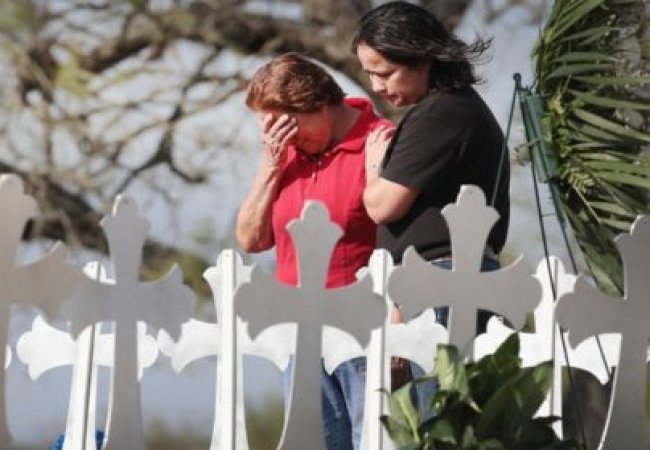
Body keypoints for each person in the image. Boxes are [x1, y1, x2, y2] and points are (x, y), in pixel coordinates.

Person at [352, 0, 510, 412]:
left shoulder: (443, 111)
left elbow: (382, 206)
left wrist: (373, 167)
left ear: (422, 57)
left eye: (385, 72)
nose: (376, 86)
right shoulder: (449, 107)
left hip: (446, 282)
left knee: (437, 423)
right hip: (436, 280)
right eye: (369, 73)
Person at [236, 52, 392, 450]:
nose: (280, 136)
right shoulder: (284, 153)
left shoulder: (380, 141)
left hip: (363, 331)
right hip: (299, 335)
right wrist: (270, 165)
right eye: (269, 127)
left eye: (285, 124)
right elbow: (251, 240)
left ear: (319, 105)